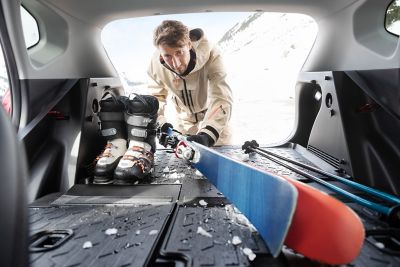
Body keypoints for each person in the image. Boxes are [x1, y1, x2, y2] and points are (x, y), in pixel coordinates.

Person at [148, 20, 233, 147]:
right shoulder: (155, 65)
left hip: (214, 117)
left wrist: (208, 135)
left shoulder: (212, 54)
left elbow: (222, 97)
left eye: (179, 52)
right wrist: (160, 123)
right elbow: (155, 99)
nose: (176, 64)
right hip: (183, 123)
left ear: (188, 44)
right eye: (167, 56)